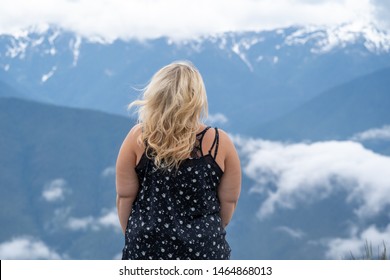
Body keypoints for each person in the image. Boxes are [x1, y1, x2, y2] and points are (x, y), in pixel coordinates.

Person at [116, 61, 241, 260]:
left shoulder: (137, 138)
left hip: (146, 250)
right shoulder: (219, 143)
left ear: (157, 96)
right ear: (197, 98)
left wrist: (137, 238)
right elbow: (229, 202)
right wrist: (204, 233)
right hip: (205, 251)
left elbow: (124, 198)